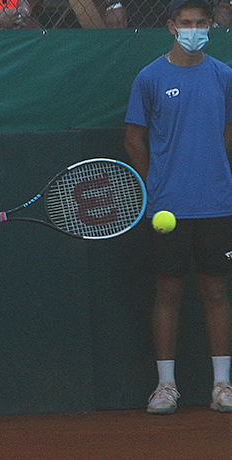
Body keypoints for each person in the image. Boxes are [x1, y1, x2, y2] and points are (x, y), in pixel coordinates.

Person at [124, 0, 232, 414]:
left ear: (210, 26)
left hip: (217, 204)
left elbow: (227, 129)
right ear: (171, 27)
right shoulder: (149, 77)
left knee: (216, 290)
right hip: (167, 206)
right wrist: (158, 183)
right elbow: (134, 137)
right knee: (168, 291)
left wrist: (209, 168)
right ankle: (165, 387)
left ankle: (222, 386)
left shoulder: (223, 76)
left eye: (200, 22)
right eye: (186, 22)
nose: (193, 29)